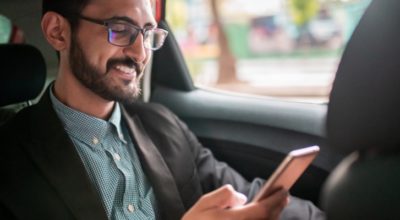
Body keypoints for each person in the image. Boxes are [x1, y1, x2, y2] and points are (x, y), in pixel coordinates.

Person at [0, 0, 325, 219]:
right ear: (58, 31)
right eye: (121, 29)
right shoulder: (8, 158)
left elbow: (246, 193)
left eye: (147, 34)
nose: (140, 52)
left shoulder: (161, 124)